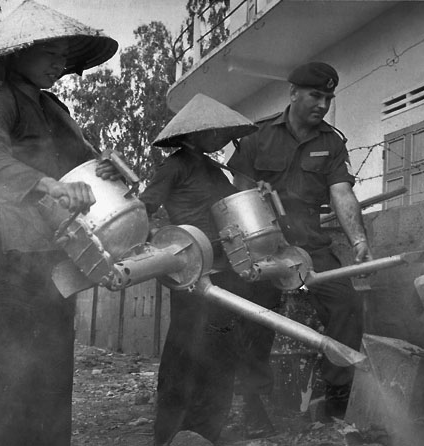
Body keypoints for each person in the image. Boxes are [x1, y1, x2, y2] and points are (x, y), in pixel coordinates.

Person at [0, 2, 120, 445]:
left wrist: (105, 169)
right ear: (17, 55)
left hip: (53, 260)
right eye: (51, 53)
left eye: (65, 56)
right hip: (9, 262)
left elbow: (86, 163)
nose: (60, 64)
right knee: (2, 381)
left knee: (51, 379)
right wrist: (48, 185)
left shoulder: (55, 109)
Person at [228, 61, 373, 424]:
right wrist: (256, 195)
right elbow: (237, 194)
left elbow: (341, 193)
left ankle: (336, 401)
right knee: (251, 314)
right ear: (293, 93)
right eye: (315, 95)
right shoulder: (256, 137)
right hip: (265, 246)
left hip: (311, 246)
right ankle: (253, 405)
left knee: (347, 305)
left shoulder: (331, 142)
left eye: (328, 97)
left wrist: (358, 240)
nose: (322, 104)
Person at [138, 93, 271, 445]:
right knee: (185, 355)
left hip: (226, 273)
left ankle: (206, 433)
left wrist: (256, 191)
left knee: (221, 355)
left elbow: (234, 208)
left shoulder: (216, 170)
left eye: (225, 133)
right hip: (193, 274)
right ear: (196, 133)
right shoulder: (174, 166)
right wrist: (155, 245)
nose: (222, 139)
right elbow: (144, 207)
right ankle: (168, 436)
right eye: (217, 132)